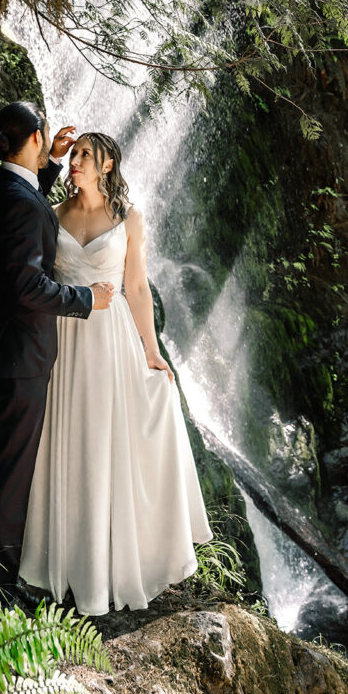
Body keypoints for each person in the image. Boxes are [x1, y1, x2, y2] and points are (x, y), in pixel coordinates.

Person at [19, 132, 213, 615]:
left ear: (107, 165)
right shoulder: (54, 214)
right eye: (75, 153)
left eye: (87, 154)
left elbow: (138, 288)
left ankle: (110, 564)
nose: (77, 161)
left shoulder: (129, 218)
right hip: (63, 339)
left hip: (111, 340)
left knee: (108, 442)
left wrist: (152, 350)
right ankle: (62, 561)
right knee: (68, 441)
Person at [0, 103, 115, 601]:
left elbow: (27, 206)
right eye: (49, 137)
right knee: (12, 469)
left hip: (9, 345)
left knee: (11, 464)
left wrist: (51, 165)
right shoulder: (17, 198)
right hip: (22, 349)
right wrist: (86, 300)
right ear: (33, 137)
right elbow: (26, 283)